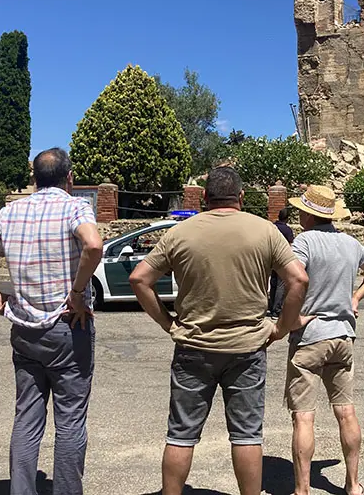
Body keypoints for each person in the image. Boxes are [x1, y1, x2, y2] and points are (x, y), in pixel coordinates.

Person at [128, 166, 309, 495]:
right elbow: (299, 279)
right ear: (241, 197)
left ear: (205, 199)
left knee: (181, 434)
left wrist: (169, 324)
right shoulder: (264, 231)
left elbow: (139, 279)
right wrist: (281, 327)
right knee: (247, 435)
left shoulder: (181, 233)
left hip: (193, 347)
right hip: (247, 348)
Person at [0, 148, 104, 495]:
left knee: (26, 418)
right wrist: (78, 292)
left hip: (23, 329)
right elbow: (93, 246)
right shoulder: (75, 207)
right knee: (69, 421)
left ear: (34, 178)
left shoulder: (12, 211)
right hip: (67, 327)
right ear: (70, 178)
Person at [280, 185, 364, 495]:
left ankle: (302, 489)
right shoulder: (351, 244)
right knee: (346, 411)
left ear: (308, 214)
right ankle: (353, 484)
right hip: (343, 336)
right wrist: (355, 298)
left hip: (310, 336)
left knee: (303, 417)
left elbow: (292, 281)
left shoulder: (304, 242)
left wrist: (291, 321)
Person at [269, 207, 295, 315]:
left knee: (273, 282)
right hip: (282, 258)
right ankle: (277, 309)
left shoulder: (272, 227)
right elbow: (290, 244)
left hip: (271, 257)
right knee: (281, 284)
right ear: (287, 218)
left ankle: (271, 305)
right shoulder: (287, 230)